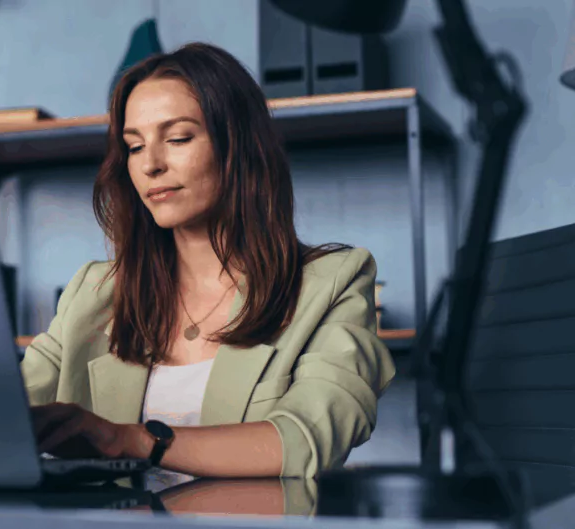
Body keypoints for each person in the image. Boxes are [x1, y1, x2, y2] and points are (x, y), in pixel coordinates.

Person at [21, 42, 395, 483]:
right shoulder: (94, 291)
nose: (151, 165)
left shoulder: (333, 283)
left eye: (177, 138)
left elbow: (305, 441)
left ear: (238, 145)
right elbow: (1, 414)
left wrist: (135, 440)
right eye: (134, 146)